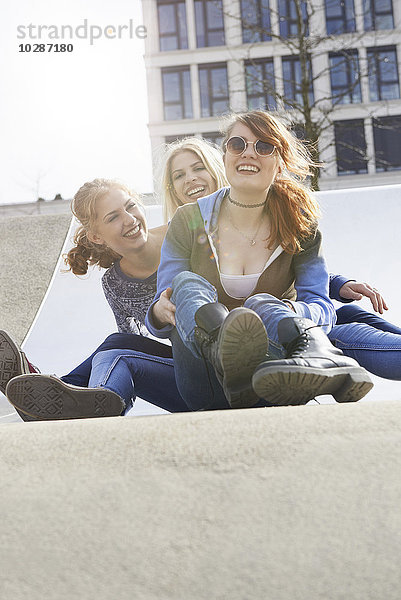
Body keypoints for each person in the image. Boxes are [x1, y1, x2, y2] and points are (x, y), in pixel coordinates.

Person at [145, 110, 374, 409]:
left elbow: (322, 307)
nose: (248, 153)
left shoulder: (300, 226)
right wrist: (161, 312)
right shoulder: (188, 219)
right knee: (186, 282)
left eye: (263, 146)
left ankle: (320, 355)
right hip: (205, 378)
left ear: (279, 163)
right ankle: (224, 354)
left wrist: (285, 310)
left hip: (271, 372)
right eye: (238, 144)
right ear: (225, 156)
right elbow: (163, 302)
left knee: (261, 303)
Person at [2, 138, 227, 421]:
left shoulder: (184, 234)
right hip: (188, 369)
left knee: (115, 346)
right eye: (113, 217)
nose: (129, 220)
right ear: (96, 236)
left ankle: (60, 388)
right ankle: (71, 396)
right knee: (116, 346)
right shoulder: (115, 283)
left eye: (131, 207)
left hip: (221, 362)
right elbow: (136, 343)